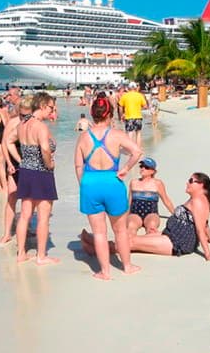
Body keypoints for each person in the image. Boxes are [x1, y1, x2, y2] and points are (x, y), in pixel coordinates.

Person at [74, 93, 144, 280]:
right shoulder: (116, 135)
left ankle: (105, 271)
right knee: (120, 230)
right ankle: (127, 266)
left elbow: (78, 165)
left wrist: (83, 184)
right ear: (110, 115)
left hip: (90, 183)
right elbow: (137, 151)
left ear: (92, 113)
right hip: (113, 181)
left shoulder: (83, 137)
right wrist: (125, 169)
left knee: (99, 232)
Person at [81, 172, 210, 262]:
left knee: (131, 243)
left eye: (191, 180)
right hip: (170, 236)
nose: (187, 182)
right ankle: (95, 242)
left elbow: (200, 228)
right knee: (129, 240)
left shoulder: (198, 201)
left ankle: (94, 248)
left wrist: (208, 254)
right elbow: (205, 223)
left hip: (178, 243)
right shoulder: (199, 199)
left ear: (201, 185)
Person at [15, 92, 59, 265]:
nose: (52, 111)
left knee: (25, 215)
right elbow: (45, 150)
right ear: (41, 105)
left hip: (25, 171)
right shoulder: (40, 126)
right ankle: (41, 255)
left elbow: (14, 143)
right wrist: (50, 165)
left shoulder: (22, 124)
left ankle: (21, 253)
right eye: (50, 107)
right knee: (43, 216)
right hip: (41, 172)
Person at [0, 96, 32, 245]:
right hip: (13, 162)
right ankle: (7, 233)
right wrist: (9, 165)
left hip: (29, 162)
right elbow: (5, 144)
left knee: (28, 198)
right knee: (12, 196)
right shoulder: (13, 122)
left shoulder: (32, 122)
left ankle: (26, 227)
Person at [127, 157, 175, 236]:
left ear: (153, 171)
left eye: (146, 167)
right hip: (134, 214)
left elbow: (166, 201)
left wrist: (176, 216)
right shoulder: (133, 182)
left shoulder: (158, 183)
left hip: (151, 214)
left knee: (151, 227)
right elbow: (128, 202)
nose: (143, 169)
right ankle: (130, 246)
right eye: (141, 166)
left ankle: (147, 246)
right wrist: (122, 218)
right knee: (131, 227)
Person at [119, 81, 148, 148]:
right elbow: (145, 106)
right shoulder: (139, 95)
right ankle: (138, 148)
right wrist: (139, 108)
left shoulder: (125, 96)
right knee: (138, 133)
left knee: (130, 133)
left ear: (128, 88)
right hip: (138, 116)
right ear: (135, 88)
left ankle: (130, 149)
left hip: (128, 117)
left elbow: (120, 106)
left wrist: (121, 115)